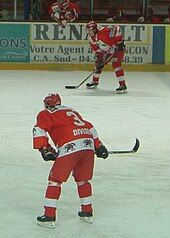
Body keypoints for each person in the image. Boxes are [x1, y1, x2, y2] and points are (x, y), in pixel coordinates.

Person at [33, 93, 108, 228]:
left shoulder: (46, 113)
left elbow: (38, 129)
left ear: (47, 104)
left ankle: (49, 216)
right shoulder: (71, 111)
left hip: (70, 146)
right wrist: (99, 146)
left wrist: (44, 149)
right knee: (83, 180)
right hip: (87, 144)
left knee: (55, 181)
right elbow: (90, 126)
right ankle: (87, 213)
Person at [85, 21, 127, 94]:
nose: (88, 32)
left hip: (118, 49)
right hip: (106, 51)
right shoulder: (90, 38)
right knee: (98, 64)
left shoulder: (103, 31)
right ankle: (95, 81)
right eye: (87, 30)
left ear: (94, 29)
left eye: (90, 30)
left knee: (116, 65)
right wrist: (99, 59)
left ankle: (123, 85)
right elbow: (96, 49)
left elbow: (117, 29)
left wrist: (120, 42)